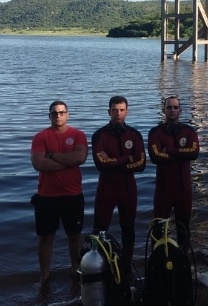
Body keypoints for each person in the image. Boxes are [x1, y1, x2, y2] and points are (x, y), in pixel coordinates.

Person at [30, 100, 89, 290]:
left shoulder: (78, 135)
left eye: (62, 112)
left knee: (75, 236)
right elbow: (39, 164)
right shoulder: (41, 137)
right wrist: (68, 161)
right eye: (54, 113)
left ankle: (76, 271)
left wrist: (52, 156)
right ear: (49, 115)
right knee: (46, 238)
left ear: (68, 114)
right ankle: (45, 277)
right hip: (46, 196)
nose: (58, 115)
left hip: (73, 195)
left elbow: (80, 158)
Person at [91, 96, 146, 272]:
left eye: (122, 110)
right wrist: (126, 159)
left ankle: (127, 264)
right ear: (109, 111)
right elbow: (101, 164)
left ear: (127, 112)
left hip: (128, 188)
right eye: (115, 110)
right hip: (106, 188)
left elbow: (141, 164)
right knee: (100, 229)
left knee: (128, 228)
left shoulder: (134, 135)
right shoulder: (99, 135)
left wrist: (113, 162)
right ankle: (97, 265)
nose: (118, 113)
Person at [147, 96, 200, 247]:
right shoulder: (155, 132)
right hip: (163, 189)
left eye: (175, 107)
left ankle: (182, 264)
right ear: (163, 110)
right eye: (169, 107)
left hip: (184, 189)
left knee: (183, 228)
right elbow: (156, 156)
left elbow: (194, 153)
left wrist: (169, 151)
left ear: (180, 110)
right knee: (158, 229)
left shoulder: (189, 131)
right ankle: (158, 263)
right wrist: (182, 154)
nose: (172, 110)